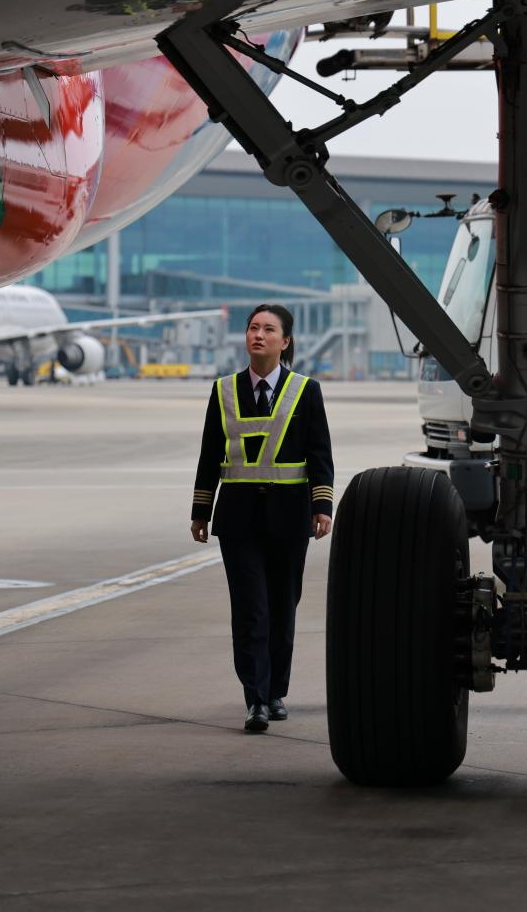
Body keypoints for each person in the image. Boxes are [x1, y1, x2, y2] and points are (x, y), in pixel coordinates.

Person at [190, 304, 334, 733]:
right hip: (238, 521)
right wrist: (201, 510)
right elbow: (209, 454)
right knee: (250, 610)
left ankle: (276, 692)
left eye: (269, 329)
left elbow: (319, 452)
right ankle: (255, 698)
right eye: (253, 328)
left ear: (285, 341)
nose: (259, 335)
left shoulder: (305, 391)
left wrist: (321, 506)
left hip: (290, 519)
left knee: (282, 608)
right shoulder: (223, 391)